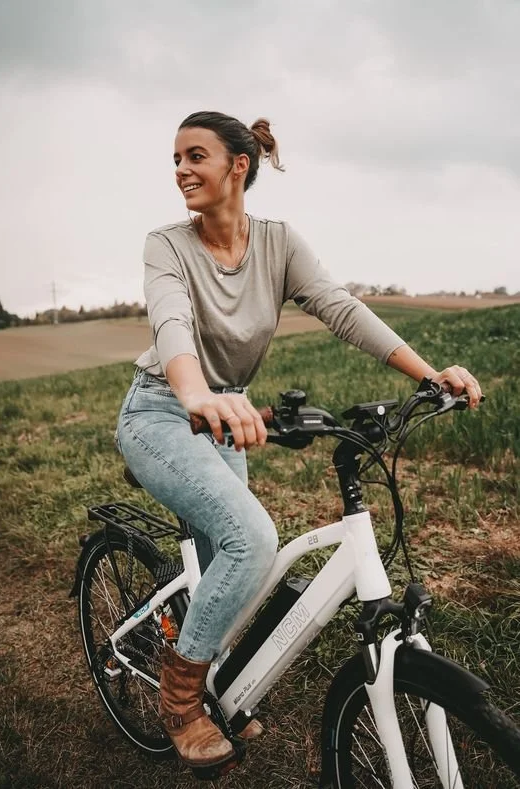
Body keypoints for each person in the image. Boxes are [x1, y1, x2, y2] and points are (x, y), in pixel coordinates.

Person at [116, 110, 482, 774]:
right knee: (252, 539)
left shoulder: (279, 243)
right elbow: (171, 322)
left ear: (239, 165)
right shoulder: (166, 245)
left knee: (239, 570)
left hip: (222, 412)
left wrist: (431, 374)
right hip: (164, 409)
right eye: (175, 159)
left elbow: (341, 308)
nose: (180, 170)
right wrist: (198, 394)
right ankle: (180, 695)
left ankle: (212, 666)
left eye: (195, 156)